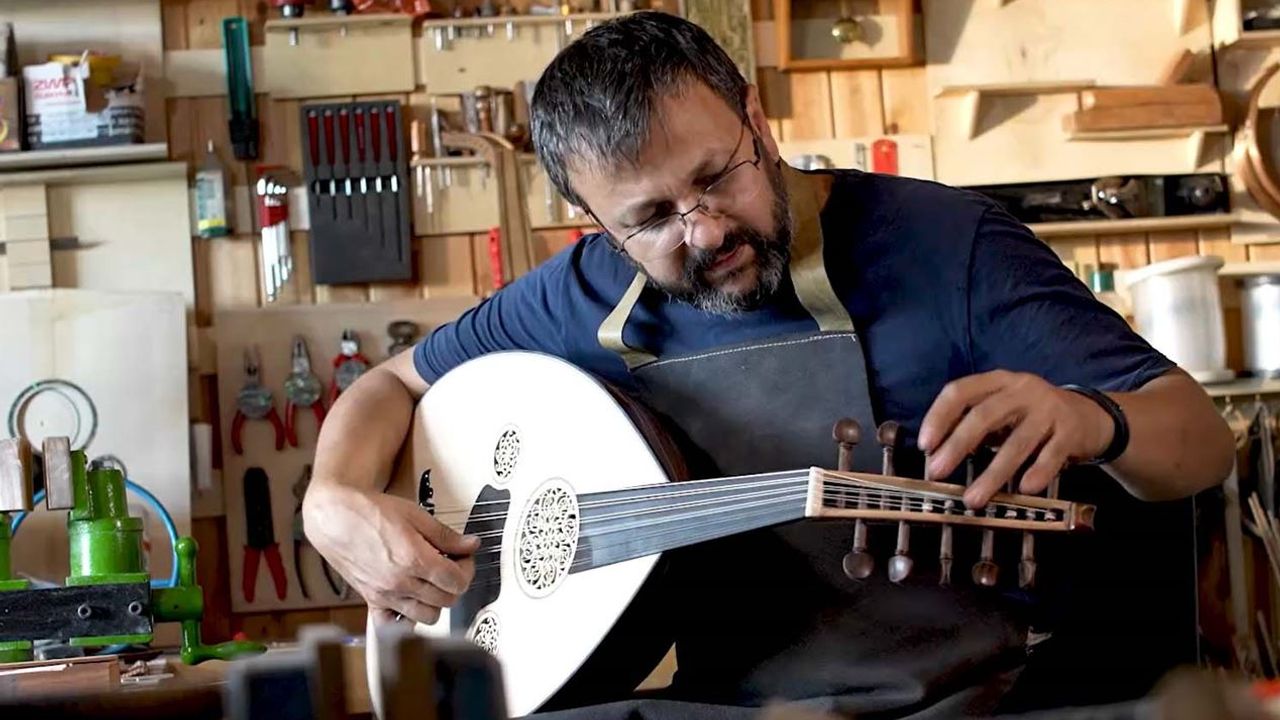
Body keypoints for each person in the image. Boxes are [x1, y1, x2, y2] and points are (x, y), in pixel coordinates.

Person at [303, 11, 1235, 719]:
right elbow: (391, 385)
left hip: (960, 702)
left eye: (717, 177)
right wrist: (332, 499)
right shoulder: (584, 292)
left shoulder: (948, 246)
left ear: (757, 119)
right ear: (597, 226)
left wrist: (1095, 419)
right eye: (651, 219)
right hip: (728, 703)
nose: (705, 231)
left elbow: (1199, 440)